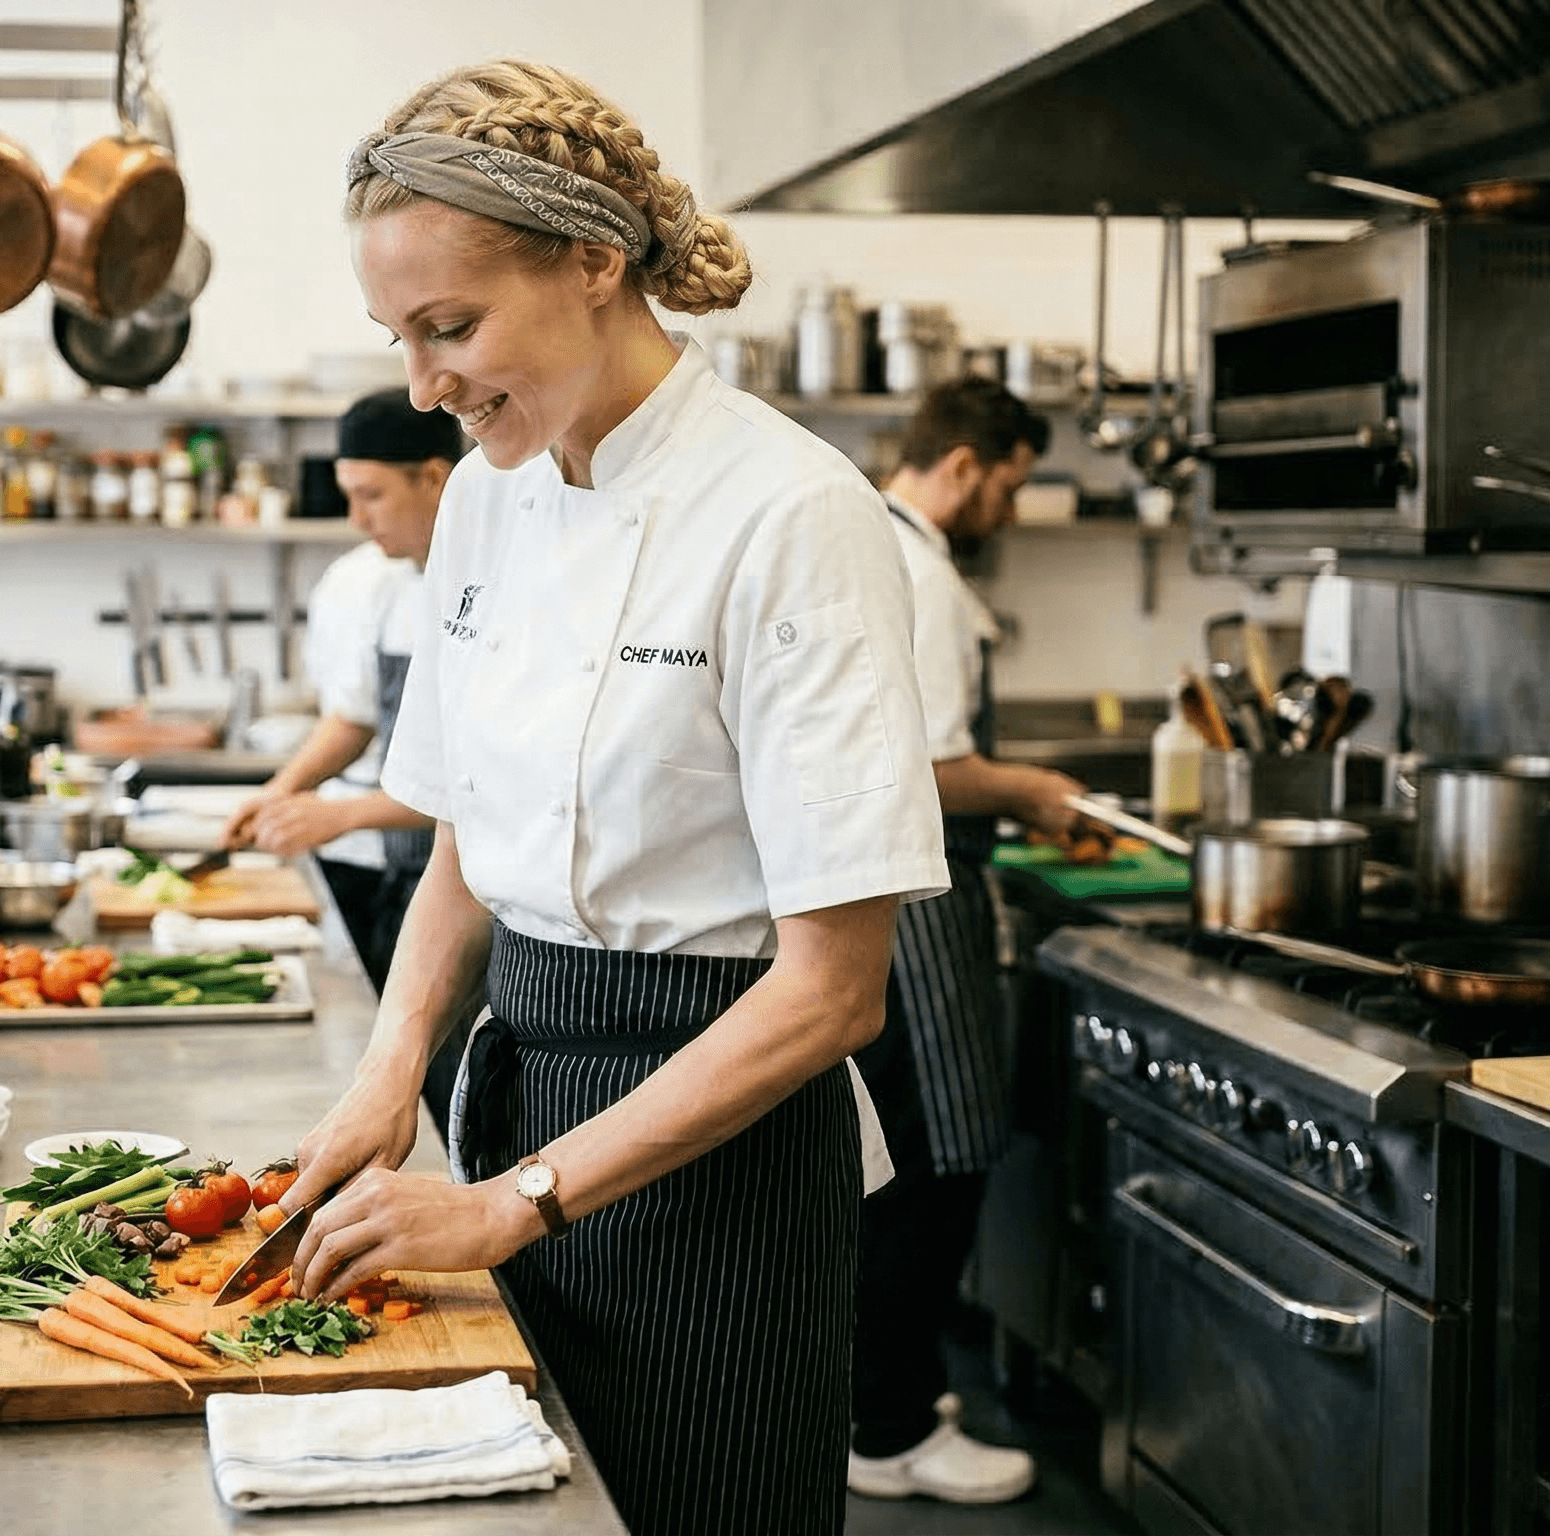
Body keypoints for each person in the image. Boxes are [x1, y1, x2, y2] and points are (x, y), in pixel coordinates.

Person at [277, 61, 949, 1536]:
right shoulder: (485, 502)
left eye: (452, 327)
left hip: (720, 1144)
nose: (423, 384)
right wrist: (390, 1077)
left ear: (594, 262)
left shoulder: (792, 514)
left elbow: (835, 995)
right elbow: (467, 835)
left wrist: (515, 1201)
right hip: (516, 1076)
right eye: (400, 338)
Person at [847, 378, 1084, 1505]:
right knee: (934, 1165)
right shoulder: (926, 575)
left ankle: (878, 1395)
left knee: (894, 1162)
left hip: (879, 902)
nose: (1007, 507)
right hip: (921, 909)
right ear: (962, 465)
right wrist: (1035, 788)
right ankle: (888, 1428)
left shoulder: (867, 538)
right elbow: (936, 771)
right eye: (1009, 484)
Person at [221, 389, 464, 1002]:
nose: (356, 519)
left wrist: (342, 814)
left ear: (434, 478)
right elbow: (354, 719)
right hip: (402, 874)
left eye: (371, 496)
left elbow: (478, 780)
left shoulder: (497, 580)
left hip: (469, 893)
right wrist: (281, 790)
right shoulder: (388, 580)